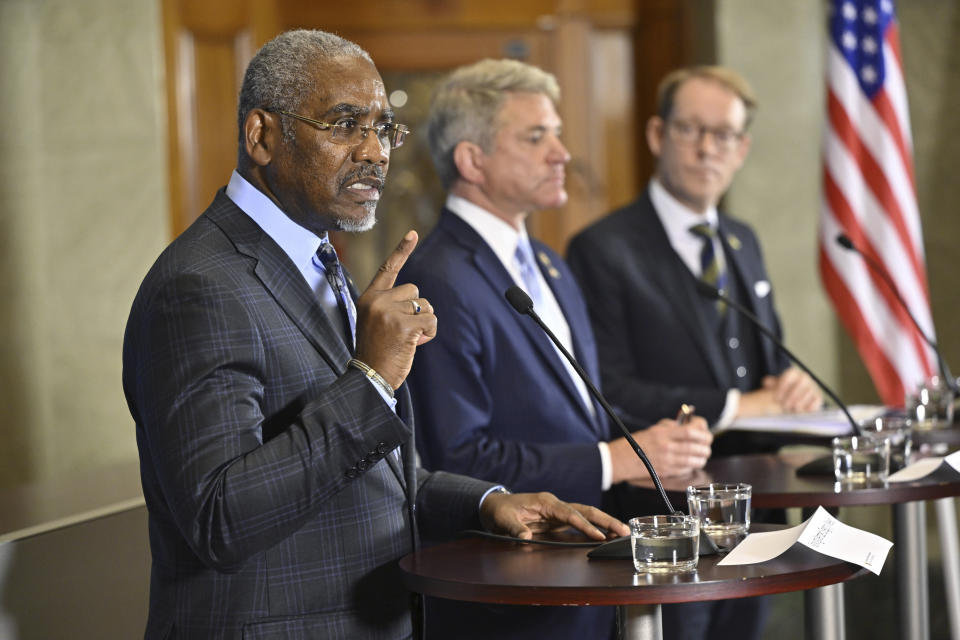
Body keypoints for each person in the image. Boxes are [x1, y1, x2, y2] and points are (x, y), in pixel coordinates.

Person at [122, 30, 627, 640]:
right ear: (261, 136)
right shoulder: (200, 285)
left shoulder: (319, 260)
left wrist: (489, 502)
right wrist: (372, 378)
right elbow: (220, 518)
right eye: (344, 124)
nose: (376, 151)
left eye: (384, 127)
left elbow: (372, 471)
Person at [398, 58, 713, 640]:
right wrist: (610, 459)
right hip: (508, 598)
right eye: (536, 136)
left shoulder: (549, 264)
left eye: (558, 133)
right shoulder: (436, 279)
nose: (562, 152)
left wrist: (656, 453)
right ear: (472, 160)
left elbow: (579, 410)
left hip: (585, 577)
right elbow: (454, 459)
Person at [566, 65, 823, 639]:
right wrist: (735, 405)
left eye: (724, 135)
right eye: (691, 130)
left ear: (742, 148)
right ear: (658, 135)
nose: (708, 148)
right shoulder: (603, 248)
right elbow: (609, 390)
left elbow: (768, 367)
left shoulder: (742, 238)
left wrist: (790, 389)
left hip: (756, 515)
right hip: (665, 524)